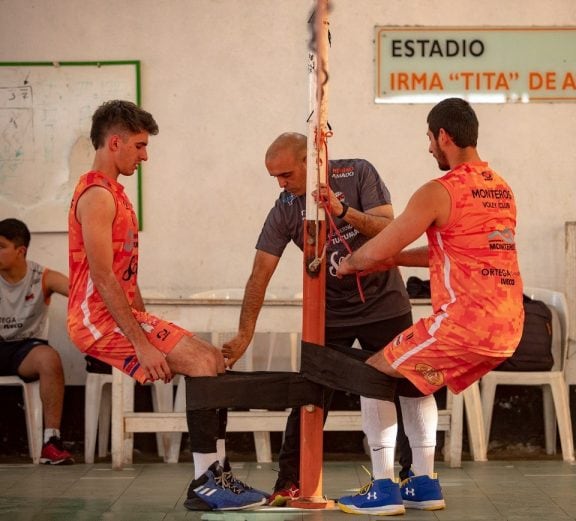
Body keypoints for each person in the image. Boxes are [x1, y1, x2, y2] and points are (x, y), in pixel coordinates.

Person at [67, 100, 266, 511]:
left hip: (117, 315)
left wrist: (145, 321)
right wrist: (141, 342)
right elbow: (102, 278)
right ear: (115, 142)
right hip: (95, 321)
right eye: (139, 146)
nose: (145, 155)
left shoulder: (115, 195)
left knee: (212, 358)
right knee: (200, 362)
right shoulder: (96, 197)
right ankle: (207, 482)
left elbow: (124, 277)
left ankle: (215, 476)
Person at [336, 97, 525, 515]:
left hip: (463, 324)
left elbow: (383, 243)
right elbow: (454, 248)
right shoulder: (500, 188)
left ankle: (383, 488)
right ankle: (422, 483)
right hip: (508, 328)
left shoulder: (439, 191)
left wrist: (348, 263)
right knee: (415, 377)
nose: (428, 149)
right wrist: (397, 259)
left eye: (429, 139)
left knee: (373, 373)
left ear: (444, 136)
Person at [223, 132, 415, 506]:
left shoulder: (358, 173)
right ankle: (290, 481)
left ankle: (411, 477)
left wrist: (343, 212)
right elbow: (259, 273)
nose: (280, 184)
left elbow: (391, 232)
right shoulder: (285, 208)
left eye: (286, 175)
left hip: (385, 304)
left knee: (406, 388)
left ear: (312, 162)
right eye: (274, 178)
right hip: (333, 313)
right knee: (310, 392)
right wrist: (245, 334)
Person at [0, 218, 74, 465]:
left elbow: (79, 291)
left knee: (49, 358)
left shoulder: (42, 277)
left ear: (20, 251)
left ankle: (51, 442)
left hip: (25, 350)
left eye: (1, 246)